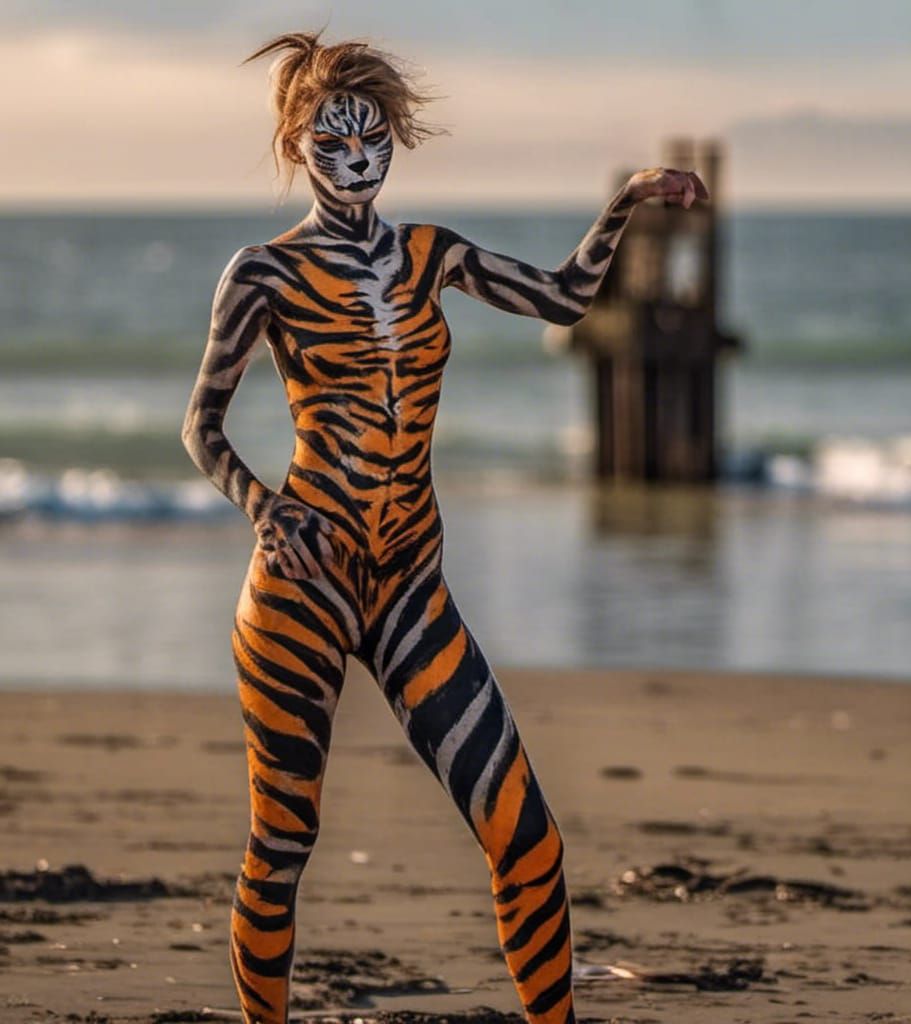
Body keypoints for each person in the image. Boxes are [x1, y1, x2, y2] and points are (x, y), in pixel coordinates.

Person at [181, 29, 708, 1024]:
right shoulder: (262, 272)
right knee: (282, 842)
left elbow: (563, 299)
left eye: (370, 139)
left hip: (412, 583)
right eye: (330, 144)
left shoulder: (432, 255)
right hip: (304, 581)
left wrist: (627, 202)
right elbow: (200, 425)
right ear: (297, 146)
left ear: (393, 139)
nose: (354, 161)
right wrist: (265, 506)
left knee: (528, 837)